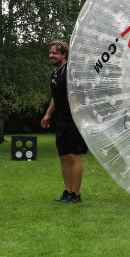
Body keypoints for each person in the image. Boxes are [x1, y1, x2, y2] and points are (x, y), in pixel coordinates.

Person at [41, 40, 86, 203]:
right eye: (50, 53)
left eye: (55, 53)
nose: (51, 55)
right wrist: (48, 114)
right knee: (64, 157)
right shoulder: (54, 74)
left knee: (74, 156)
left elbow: (77, 94)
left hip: (74, 119)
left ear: (64, 55)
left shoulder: (70, 72)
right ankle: (67, 192)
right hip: (61, 120)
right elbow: (56, 96)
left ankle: (76, 194)